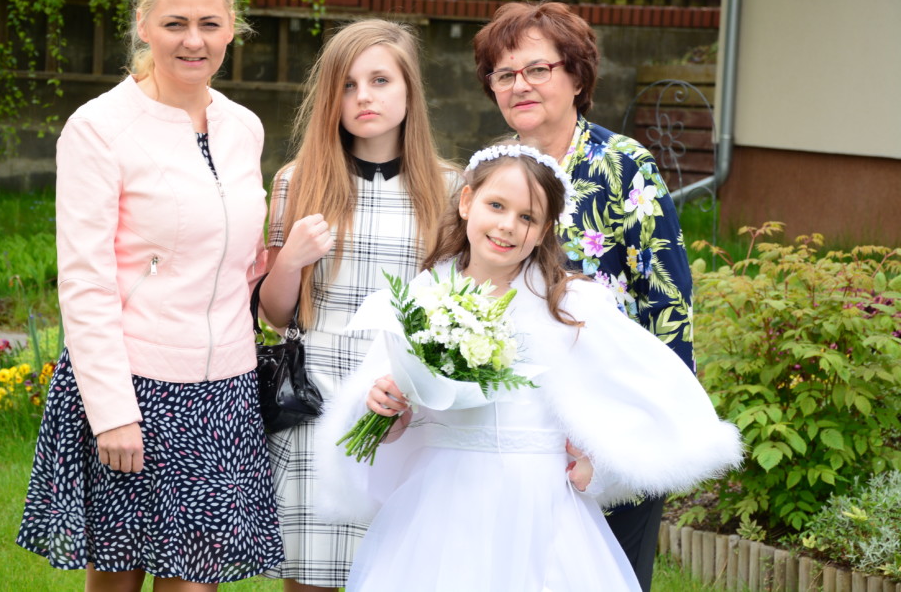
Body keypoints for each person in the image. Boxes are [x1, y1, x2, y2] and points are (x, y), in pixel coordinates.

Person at [312, 143, 742, 592]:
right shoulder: (423, 297)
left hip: (541, 498)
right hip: (444, 498)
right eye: (496, 205)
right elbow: (391, 404)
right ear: (466, 202)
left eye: (527, 217)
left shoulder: (569, 307)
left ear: (543, 231)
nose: (507, 226)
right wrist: (386, 410)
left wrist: (598, 465)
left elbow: (625, 391)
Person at [16, 0, 284, 591]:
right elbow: (85, 281)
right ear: (143, 25)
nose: (194, 41)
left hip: (223, 391)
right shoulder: (98, 129)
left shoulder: (243, 127)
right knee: (118, 576)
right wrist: (111, 410)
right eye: (175, 24)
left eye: (210, 24)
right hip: (136, 384)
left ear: (232, 28)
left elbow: (238, 265)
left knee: (195, 581)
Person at [472, 1, 695, 591]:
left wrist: (639, 428)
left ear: (576, 76)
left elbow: (668, 303)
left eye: (537, 69)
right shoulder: (496, 173)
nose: (519, 85)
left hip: (610, 413)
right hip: (518, 424)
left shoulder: (623, 166)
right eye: (504, 74)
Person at [258, 18, 459, 592]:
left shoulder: (450, 188)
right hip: (317, 398)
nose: (363, 96)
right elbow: (275, 315)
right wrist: (290, 261)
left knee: (400, 571)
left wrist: (413, 388)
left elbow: (454, 306)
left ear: (409, 89)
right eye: (347, 85)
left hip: (403, 399)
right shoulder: (300, 180)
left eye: (380, 80)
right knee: (313, 575)